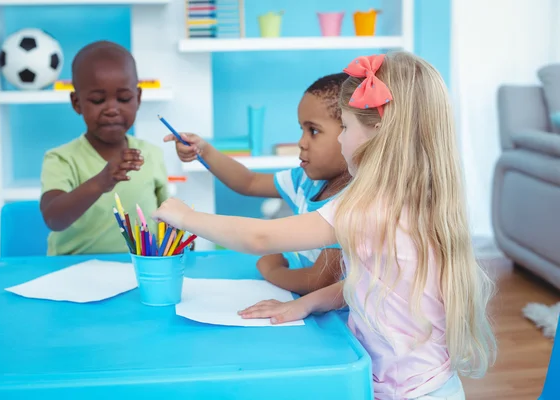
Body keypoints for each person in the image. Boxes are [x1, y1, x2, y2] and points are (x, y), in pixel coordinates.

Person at [153, 52, 496, 399]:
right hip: (433, 384)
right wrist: (307, 304)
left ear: (378, 134)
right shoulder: (421, 201)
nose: (341, 138)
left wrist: (185, 217)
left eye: (345, 127)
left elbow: (260, 237)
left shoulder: (365, 208)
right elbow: (373, 283)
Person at [164, 73, 351, 294]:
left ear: (352, 132)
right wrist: (204, 151)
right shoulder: (306, 181)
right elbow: (248, 182)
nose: (301, 142)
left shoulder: (353, 202)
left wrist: (271, 270)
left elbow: (317, 281)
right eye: (302, 129)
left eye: (314, 131)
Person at [40, 41, 169, 255]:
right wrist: (101, 182)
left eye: (124, 98)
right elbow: (53, 218)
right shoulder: (61, 159)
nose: (112, 109)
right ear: (76, 103)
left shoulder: (152, 154)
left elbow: (167, 219)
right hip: (72, 273)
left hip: (139, 271)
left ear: (138, 98)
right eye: (98, 100)